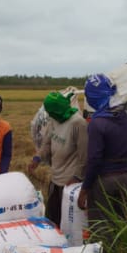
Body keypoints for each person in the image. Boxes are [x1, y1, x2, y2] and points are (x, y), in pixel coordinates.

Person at [77, 73, 127, 244]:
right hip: (124, 179)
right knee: (122, 227)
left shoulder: (97, 123)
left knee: (101, 230)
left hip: (104, 182)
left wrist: (85, 189)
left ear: (94, 97)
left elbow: (94, 160)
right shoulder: (124, 117)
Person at [30, 90, 88, 229]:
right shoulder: (54, 120)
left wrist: (77, 176)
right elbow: (47, 144)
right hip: (55, 179)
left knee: (66, 222)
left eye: (52, 113)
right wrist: (37, 158)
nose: (50, 116)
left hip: (69, 184)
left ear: (59, 110)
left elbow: (84, 155)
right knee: (52, 218)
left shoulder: (78, 123)